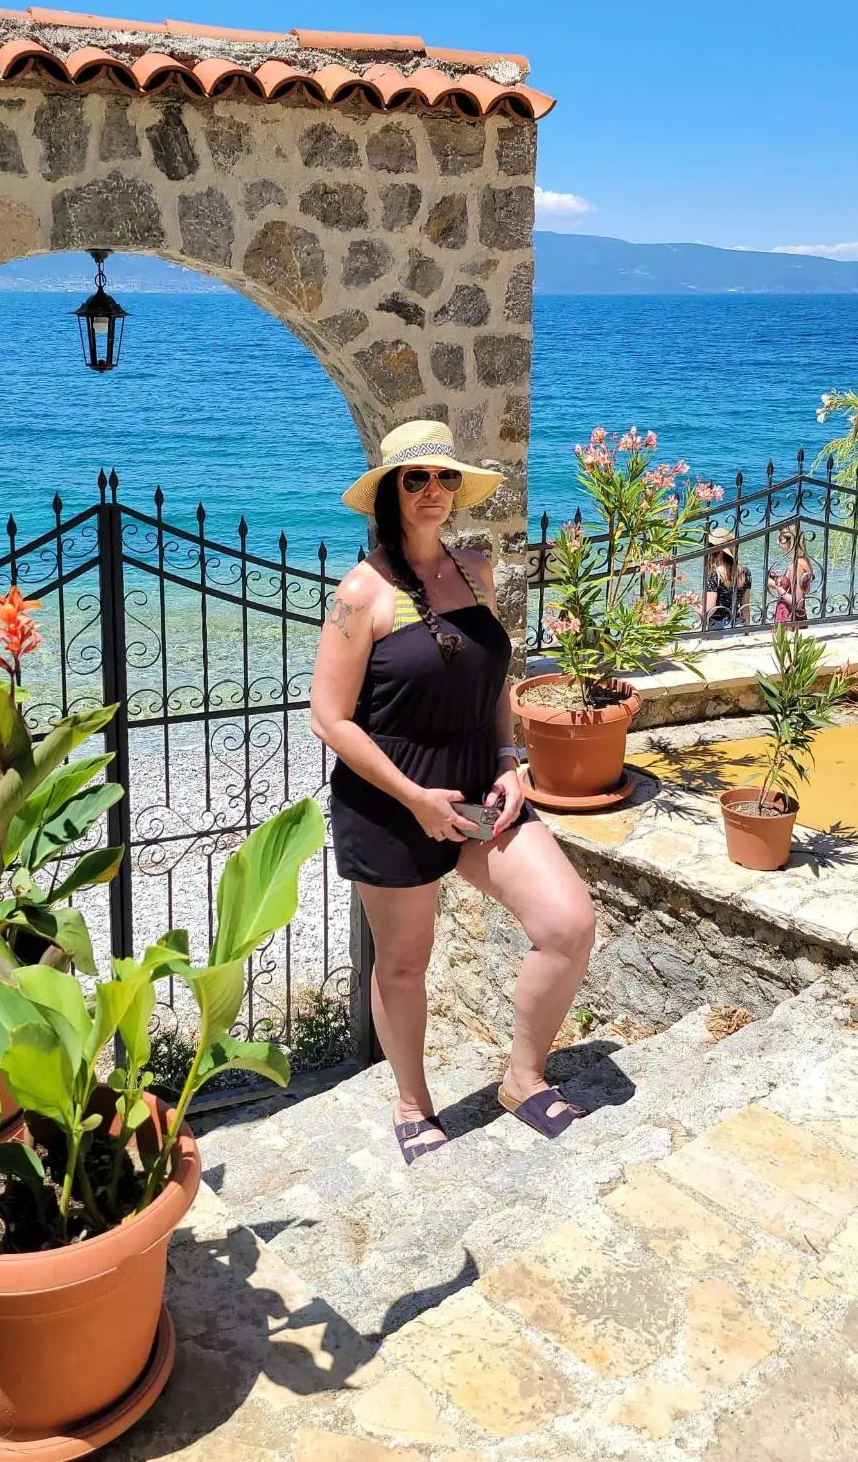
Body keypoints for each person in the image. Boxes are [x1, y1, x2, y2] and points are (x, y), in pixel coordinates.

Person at [311, 420, 597, 1164]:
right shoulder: (361, 592)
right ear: (389, 492)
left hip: (482, 788)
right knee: (404, 961)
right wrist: (414, 797)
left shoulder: (474, 569)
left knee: (566, 924)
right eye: (416, 479)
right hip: (391, 801)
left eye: (444, 479)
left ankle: (521, 1077)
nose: (433, 491)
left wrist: (509, 758)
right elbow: (329, 718)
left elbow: (493, 678)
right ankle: (411, 1103)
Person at [702, 527, 752, 628]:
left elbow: (710, 610)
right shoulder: (745, 573)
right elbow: (745, 606)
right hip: (736, 623)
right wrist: (747, 630)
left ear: (719, 552)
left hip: (718, 626)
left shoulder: (715, 575)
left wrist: (696, 607)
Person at [768, 521, 814, 626]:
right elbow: (805, 590)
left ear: (791, 540)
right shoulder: (805, 561)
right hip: (797, 618)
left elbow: (797, 603)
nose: (777, 542)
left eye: (780, 538)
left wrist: (776, 586)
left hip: (788, 620)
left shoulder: (795, 565)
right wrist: (781, 579)